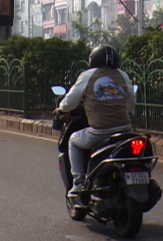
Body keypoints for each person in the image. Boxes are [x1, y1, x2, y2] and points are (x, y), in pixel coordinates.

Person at [55, 44, 135, 199]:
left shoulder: (88, 75)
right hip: (125, 131)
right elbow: (131, 102)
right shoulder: (122, 75)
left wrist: (61, 109)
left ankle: (78, 184)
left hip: (99, 132)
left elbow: (70, 101)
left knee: (73, 141)